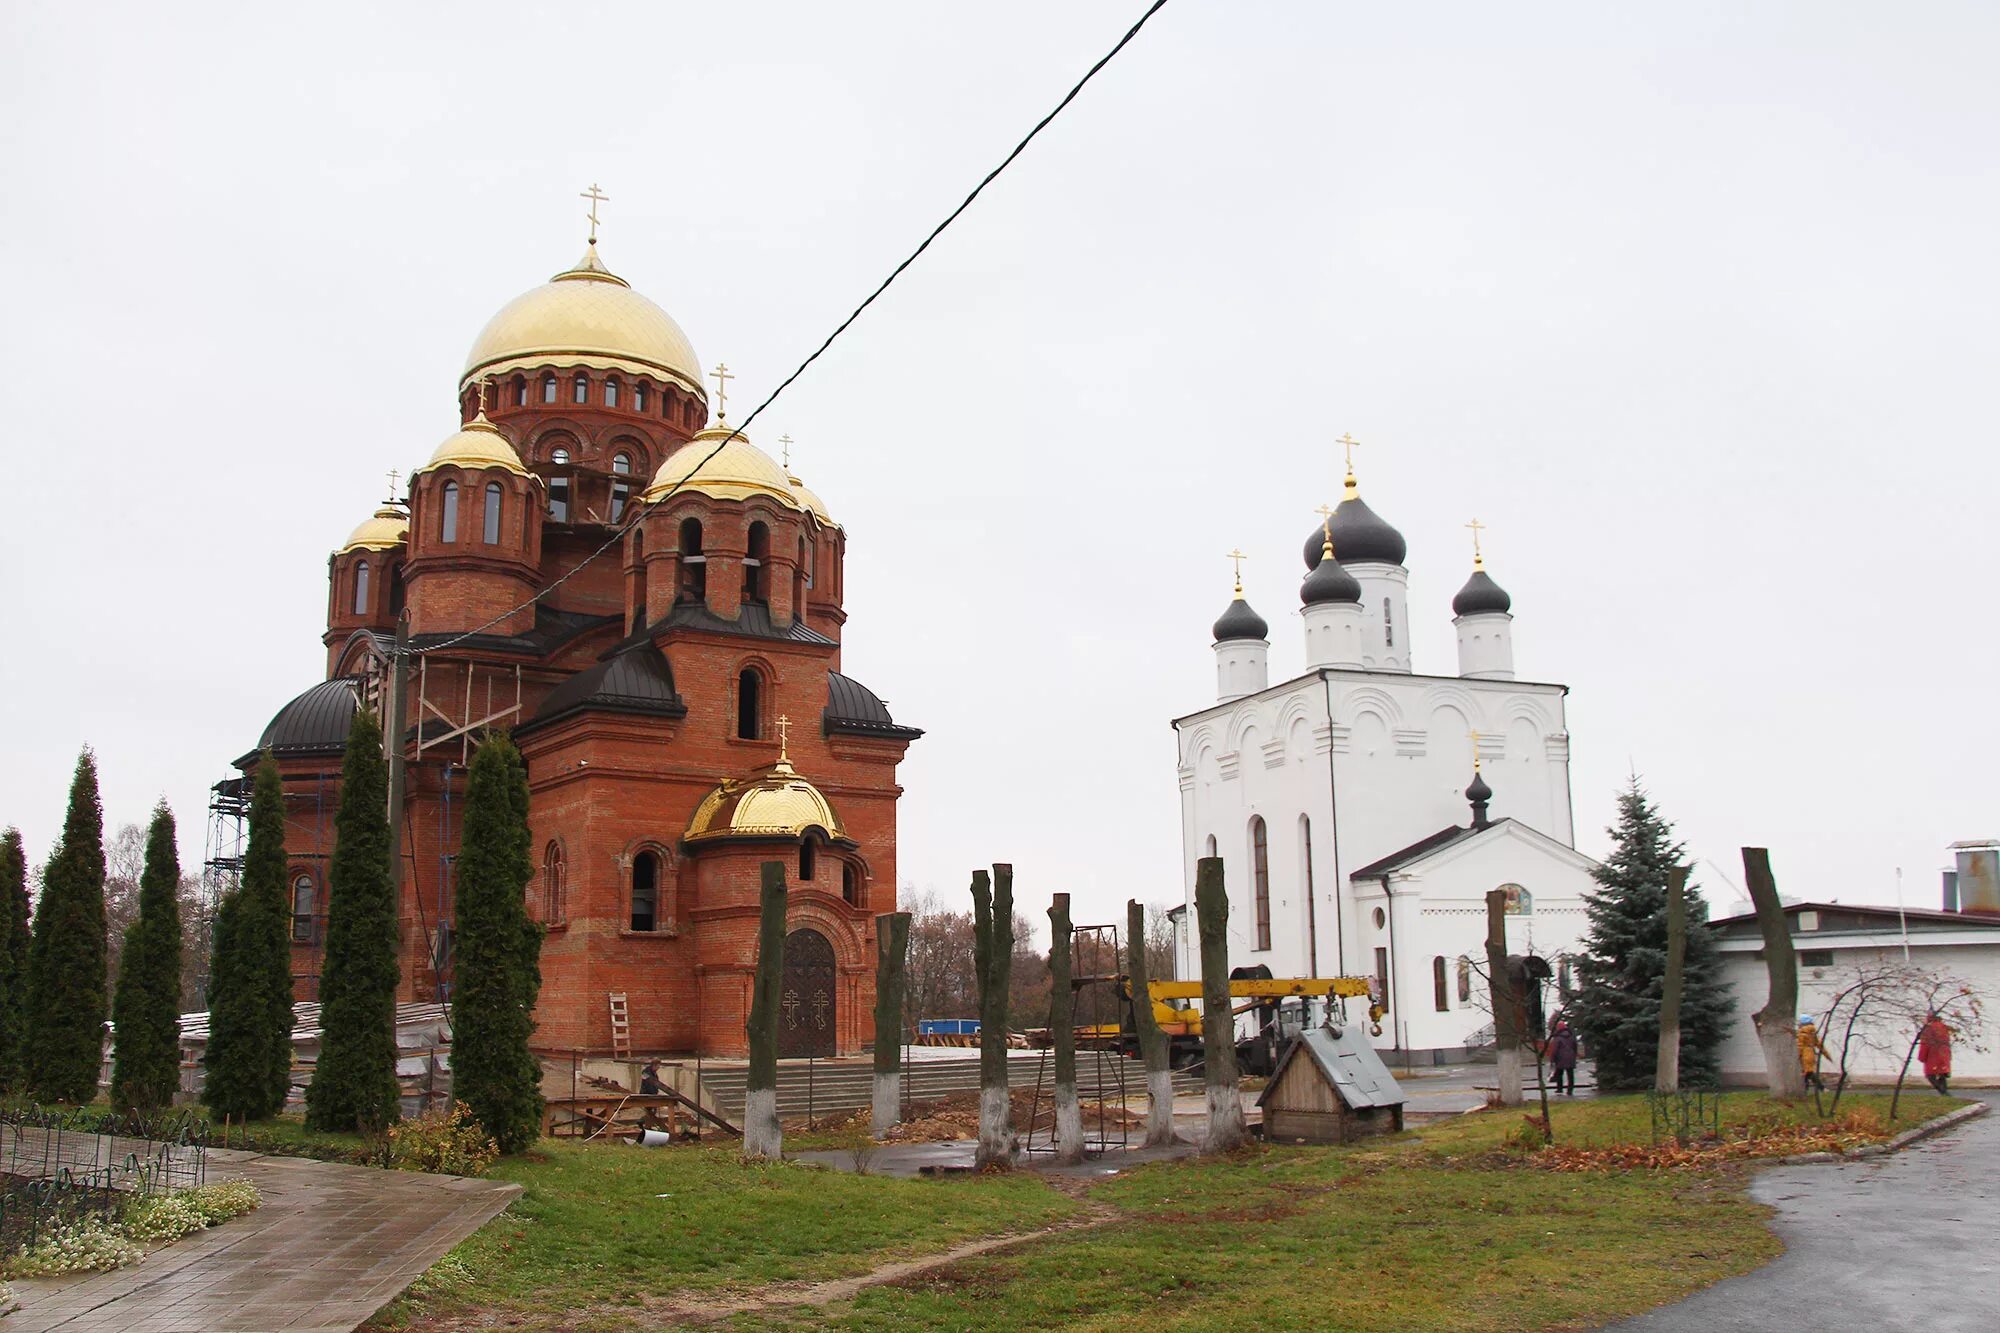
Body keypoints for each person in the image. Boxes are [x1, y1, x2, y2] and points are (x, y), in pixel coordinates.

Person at [1918, 1013, 1953, 1095]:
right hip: (1944, 1055)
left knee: (1931, 1076)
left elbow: (1925, 1045)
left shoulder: (1928, 1029)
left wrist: (1921, 1057)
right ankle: (1945, 1094)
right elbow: (1947, 1043)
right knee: (1942, 1074)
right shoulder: (1944, 1028)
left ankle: (1944, 1093)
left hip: (1932, 1056)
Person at [1548, 1018, 1579, 1095]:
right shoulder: (1571, 1035)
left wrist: (1552, 1059)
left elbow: (1555, 1050)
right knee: (1570, 1075)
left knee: (1559, 1073)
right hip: (1570, 1057)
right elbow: (1575, 1046)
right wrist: (1574, 1055)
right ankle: (1570, 1090)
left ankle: (1559, 1088)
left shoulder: (1558, 1038)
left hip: (1560, 1058)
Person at [1797, 1019, 1828, 1092]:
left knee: (1808, 1073)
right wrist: (1826, 1055)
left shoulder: (1802, 1033)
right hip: (1811, 1054)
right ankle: (1818, 1088)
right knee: (1807, 1073)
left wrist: (1799, 1055)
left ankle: (1820, 1088)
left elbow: (1800, 1046)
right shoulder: (1812, 1033)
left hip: (1805, 1054)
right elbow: (1818, 1044)